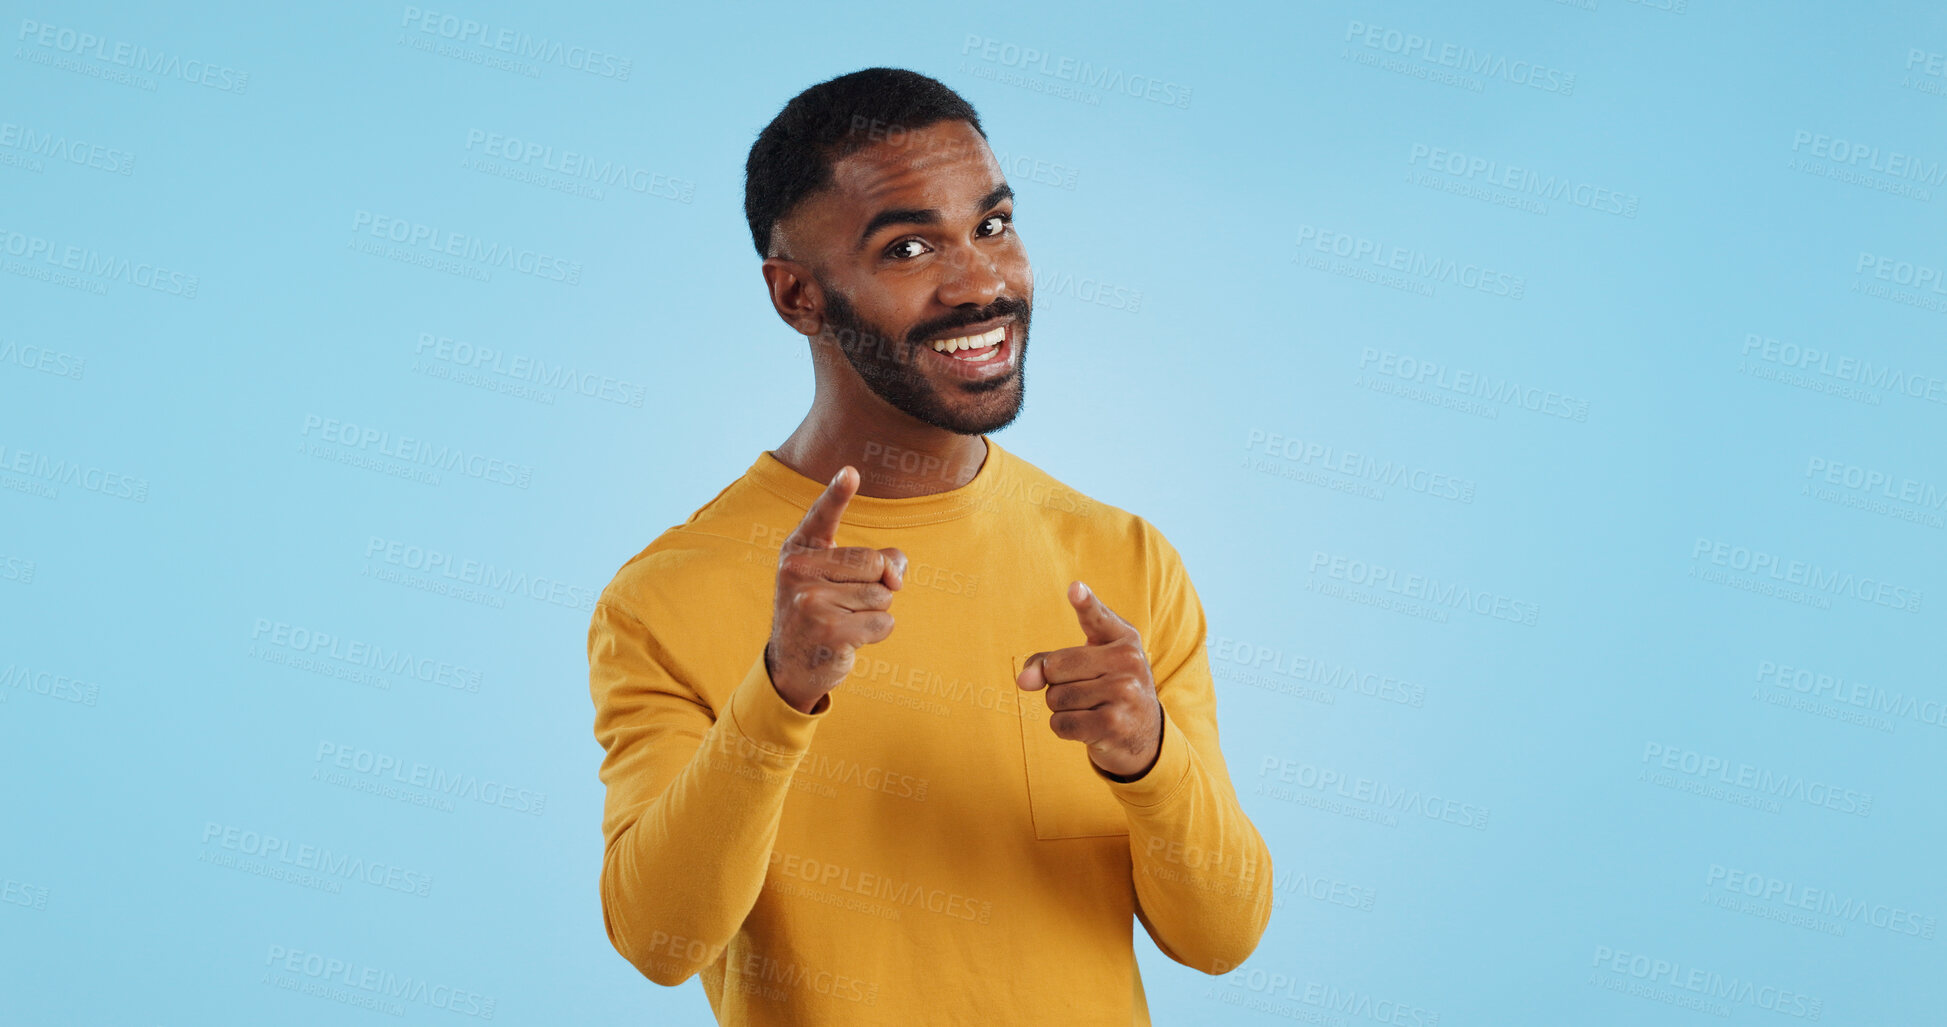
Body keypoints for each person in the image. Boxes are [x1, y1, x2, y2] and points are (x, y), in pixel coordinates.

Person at [587, 66, 1271, 1026]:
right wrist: (780, 689)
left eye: (991, 225)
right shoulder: (664, 596)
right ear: (797, 297)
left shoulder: (1123, 560)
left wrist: (1145, 755)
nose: (982, 283)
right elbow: (659, 942)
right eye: (908, 247)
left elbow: (1221, 936)